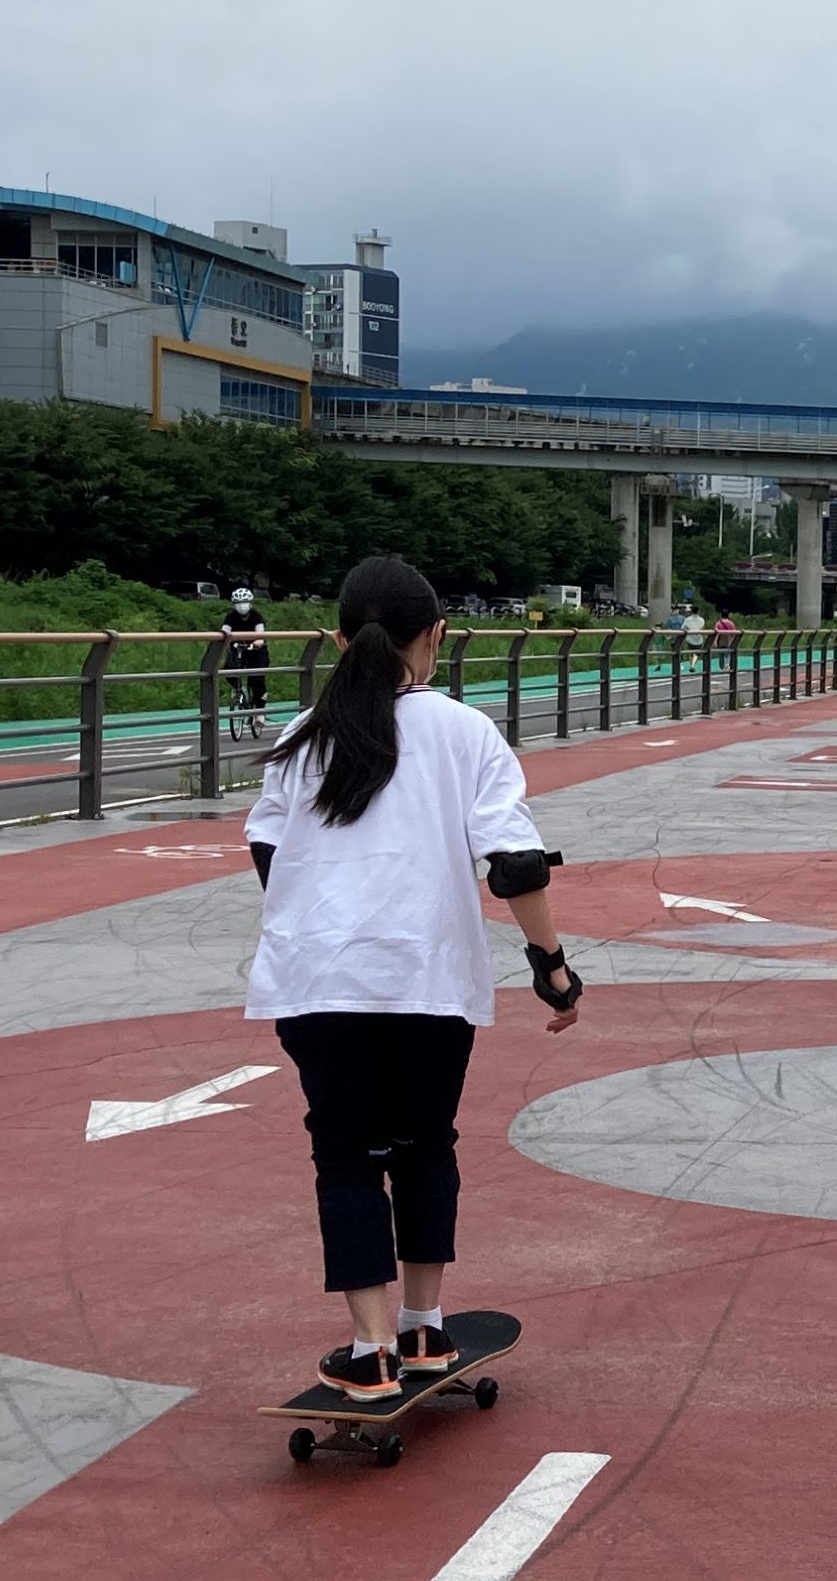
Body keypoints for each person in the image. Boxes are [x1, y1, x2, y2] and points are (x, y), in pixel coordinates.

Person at [247, 554, 588, 1406]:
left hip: (320, 978)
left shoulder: (300, 737)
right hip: (430, 979)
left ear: (337, 638)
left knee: (346, 1157)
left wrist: (324, 914)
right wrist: (550, 966)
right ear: (435, 635)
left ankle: (368, 1351)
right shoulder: (466, 732)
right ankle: (426, 1329)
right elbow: (511, 864)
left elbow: (266, 851)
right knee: (426, 1144)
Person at [220, 587, 271, 739]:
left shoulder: (256, 616)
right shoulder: (231, 617)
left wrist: (258, 641)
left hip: (256, 651)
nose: (242, 605)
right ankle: (240, 690)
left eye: (245, 602)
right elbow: (223, 631)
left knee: (257, 679)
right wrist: (223, 640)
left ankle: (259, 712)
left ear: (251, 603)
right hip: (238, 650)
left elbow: (260, 633)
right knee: (228, 672)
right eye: (238, 602)